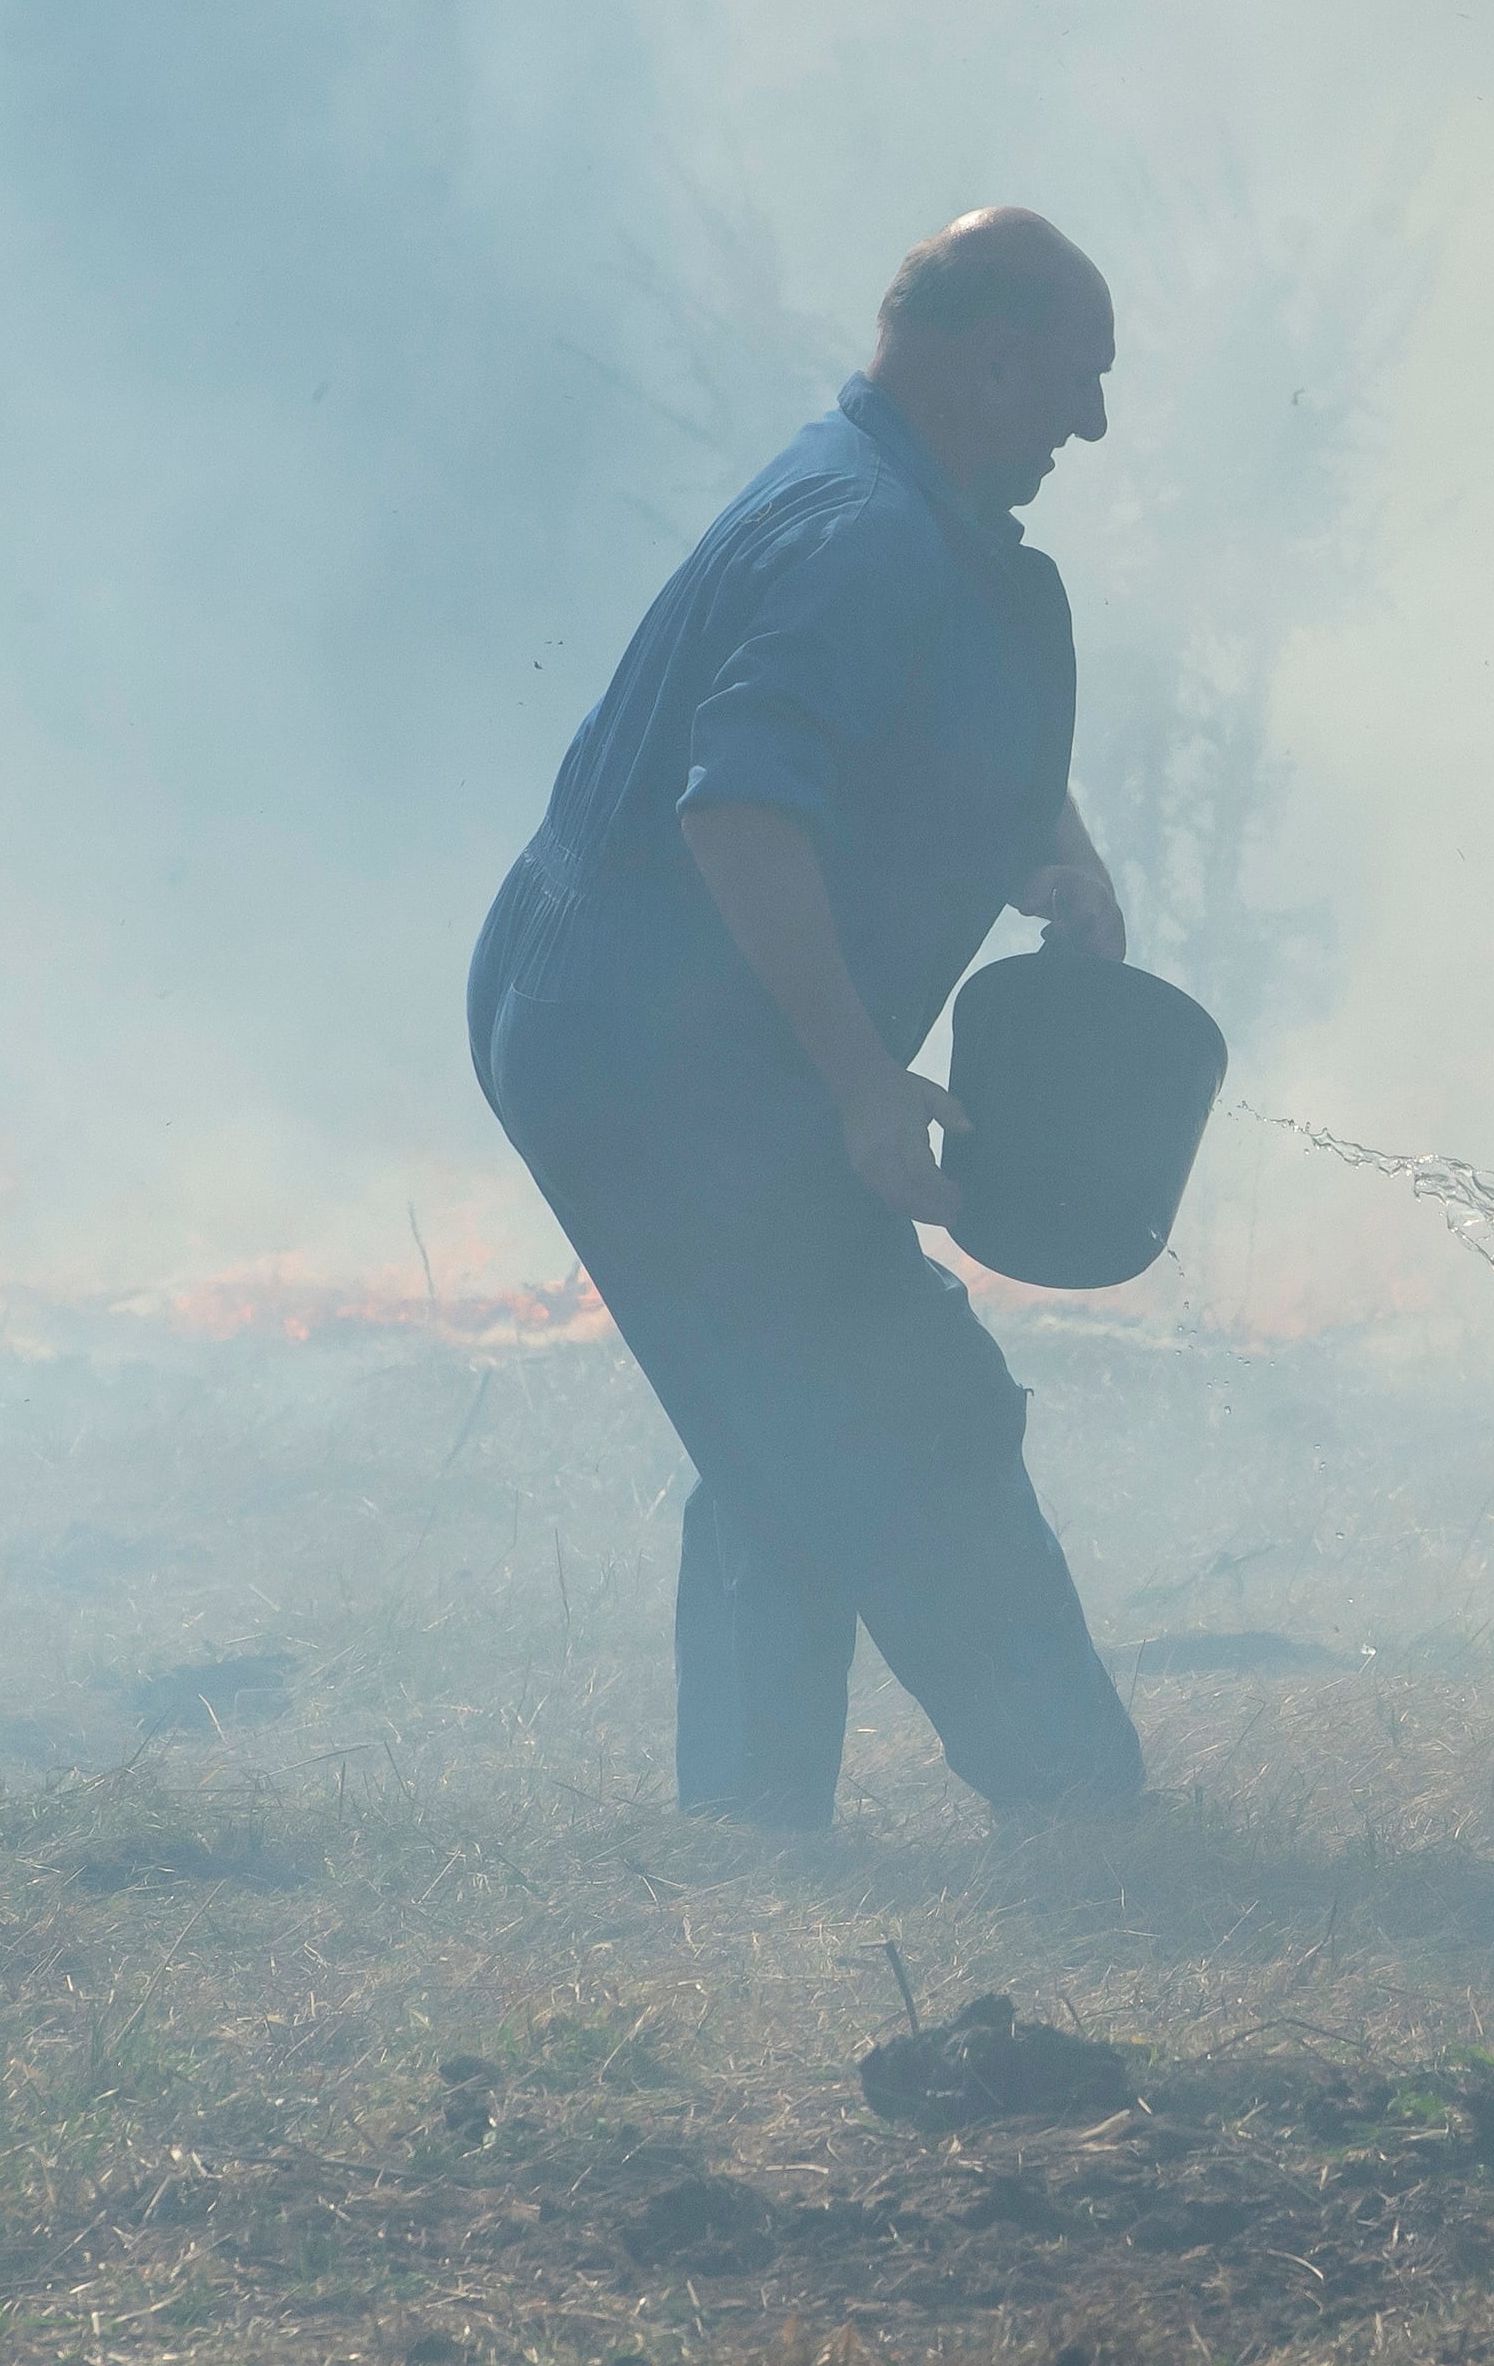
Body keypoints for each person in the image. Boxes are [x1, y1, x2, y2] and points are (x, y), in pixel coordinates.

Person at [466, 208, 1144, 1827]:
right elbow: (741, 812)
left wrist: (1054, 839)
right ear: (991, 364)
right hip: (644, 1065)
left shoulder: (913, 513)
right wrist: (860, 1085)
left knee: (785, 1416)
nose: (1093, 425)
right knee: (897, 1395)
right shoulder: (859, 539)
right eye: (1079, 380)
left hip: (669, 1044)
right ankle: (1074, 1799)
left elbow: (922, 706)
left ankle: (749, 1838)